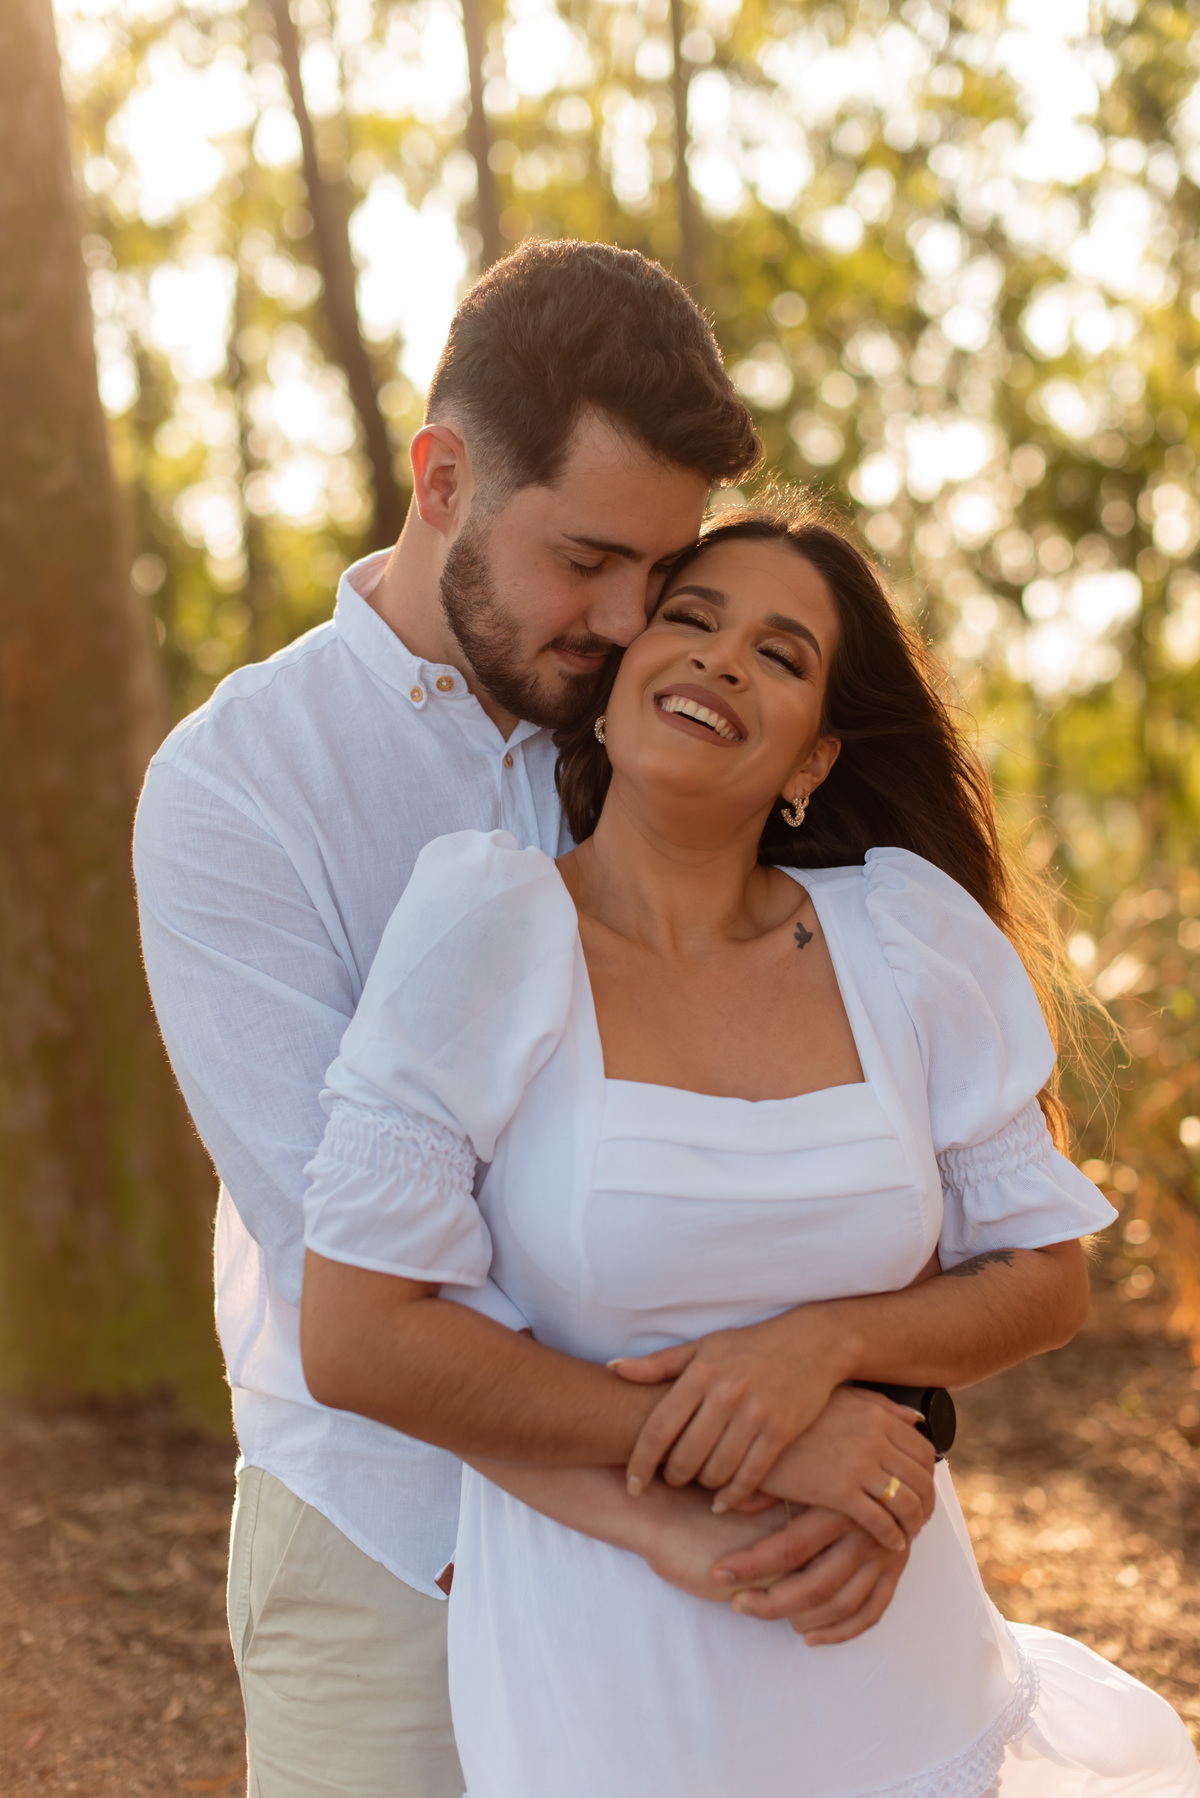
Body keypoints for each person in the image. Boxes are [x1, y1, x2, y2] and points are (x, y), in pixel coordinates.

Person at [136, 239, 1128, 1797]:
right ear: (446, 476)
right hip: (399, 1545)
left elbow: (861, 1150)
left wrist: (861, 1400)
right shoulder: (240, 792)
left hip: (759, 1564)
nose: (624, 617)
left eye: (658, 574)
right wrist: (718, 1469)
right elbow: (363, 1285)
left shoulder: (675, 728)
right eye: (586, 557)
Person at [300, 495, 1200, 1798]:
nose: (723, 659)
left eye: (780, 655)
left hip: (896, 1650)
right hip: (609, 1677)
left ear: (811, 761)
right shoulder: (484, 931)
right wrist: (761, 1437)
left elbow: (1043, 1279)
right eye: (692, 619)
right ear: (610, 693)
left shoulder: (904, 936)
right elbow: (357, 1334)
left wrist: (825, 1345)